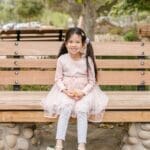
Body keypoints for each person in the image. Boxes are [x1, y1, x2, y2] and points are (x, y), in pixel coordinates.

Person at [41, 27, 109, 150]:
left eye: (77, 42)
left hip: (85, 92)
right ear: (66, 43)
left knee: (82, 109)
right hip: (66, 92)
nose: (74, 45)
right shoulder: (62, 59)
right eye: (71, 42)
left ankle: (81, 145)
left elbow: (92, 81)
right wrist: (65, 90)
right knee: (66, 107)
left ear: (83, 44)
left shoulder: (87, 60)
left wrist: (83, 92)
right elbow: (58, 79)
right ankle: (59, 143)